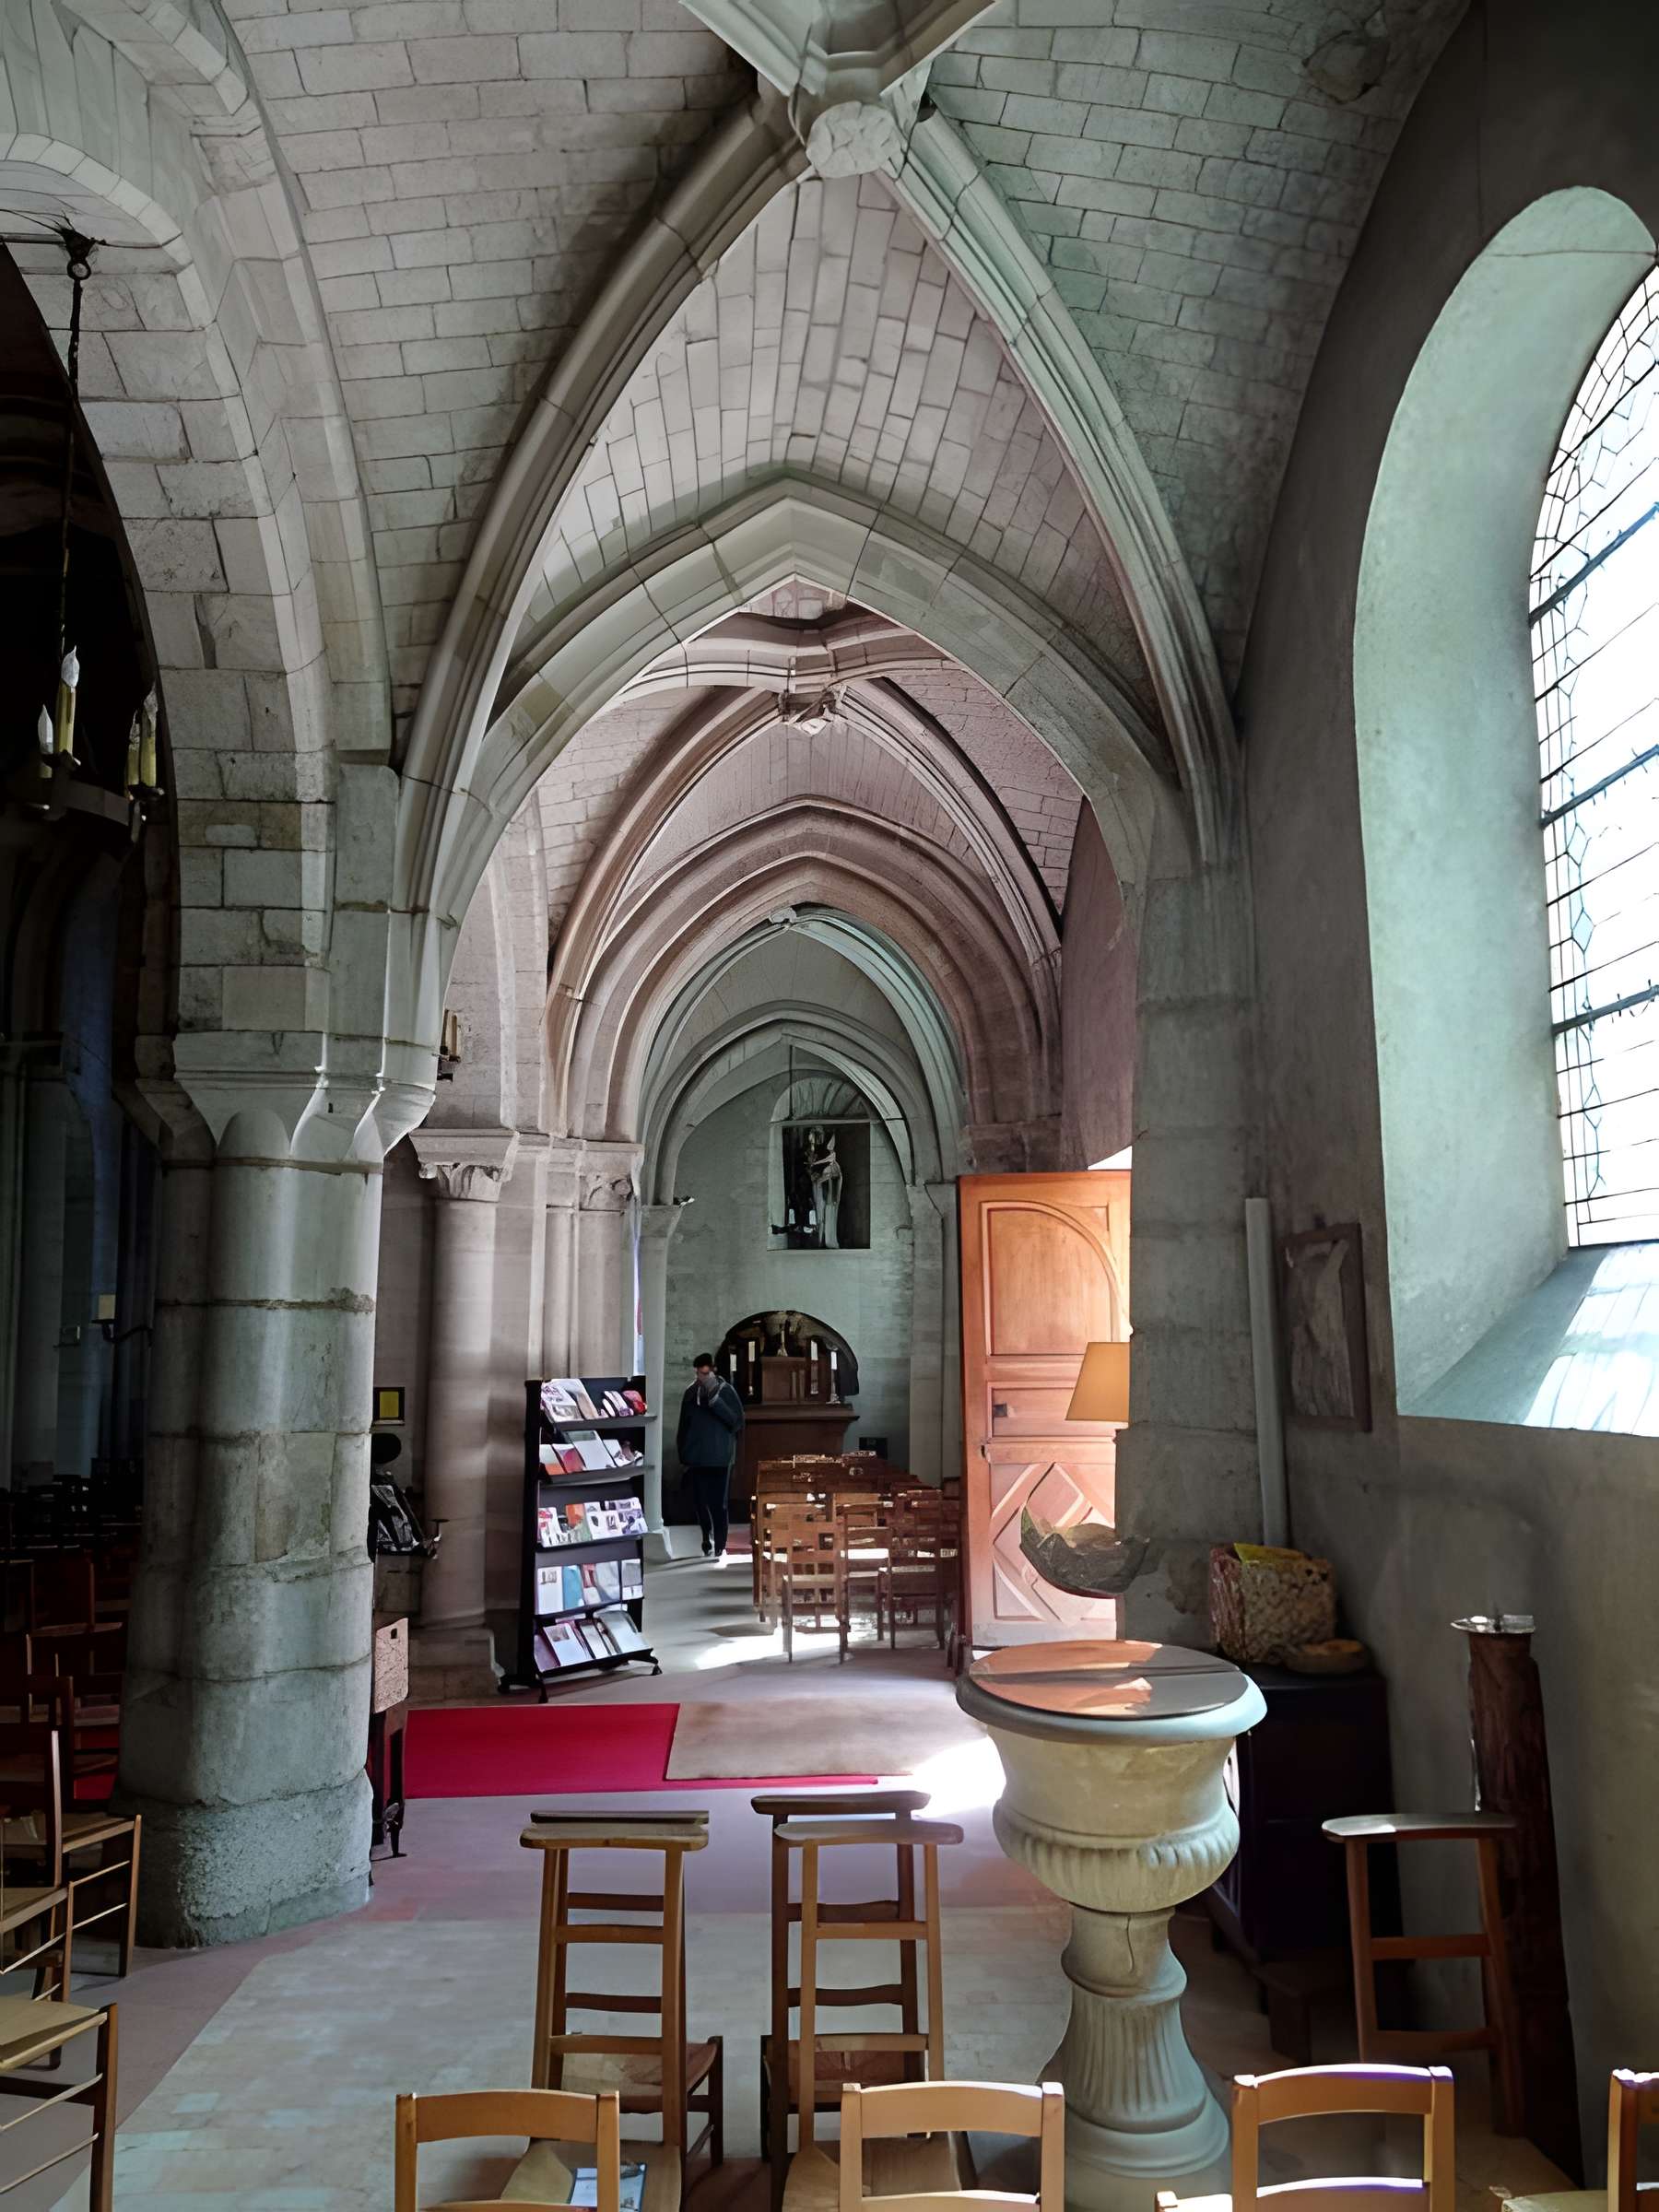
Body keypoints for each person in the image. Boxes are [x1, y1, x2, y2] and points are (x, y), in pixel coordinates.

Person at [677, 1352, 745, 1564]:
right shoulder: (690, 1393)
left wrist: (715, 1401)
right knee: (699, 1503)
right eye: (699, 1374)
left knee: (718, 1504)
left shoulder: (727, 1392)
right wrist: (684, 1453)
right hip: (697, 1458)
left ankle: (720, 1546)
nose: (702, 1378)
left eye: (705, 1374)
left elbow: (737, 1422)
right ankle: (706, 1536)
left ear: (713, 1371)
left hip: (719, 1458)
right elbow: (683, 1426)